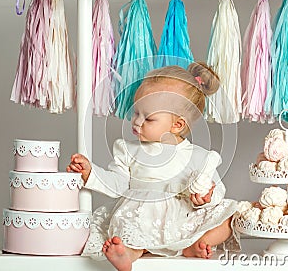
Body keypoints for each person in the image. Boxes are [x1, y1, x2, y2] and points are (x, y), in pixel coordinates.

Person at [67, 62, 240, 271]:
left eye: (148, 118)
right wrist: (90, 173)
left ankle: (194, 244)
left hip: (181, 218)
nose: (137, 122)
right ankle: (131, 252)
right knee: (129, 226)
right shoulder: (128, 150)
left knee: (230, 215)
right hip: (143, 214)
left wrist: (206, 197)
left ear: (177, 125)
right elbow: (119, 184)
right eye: (136, 112)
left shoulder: (199, 156)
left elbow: (217, 190)